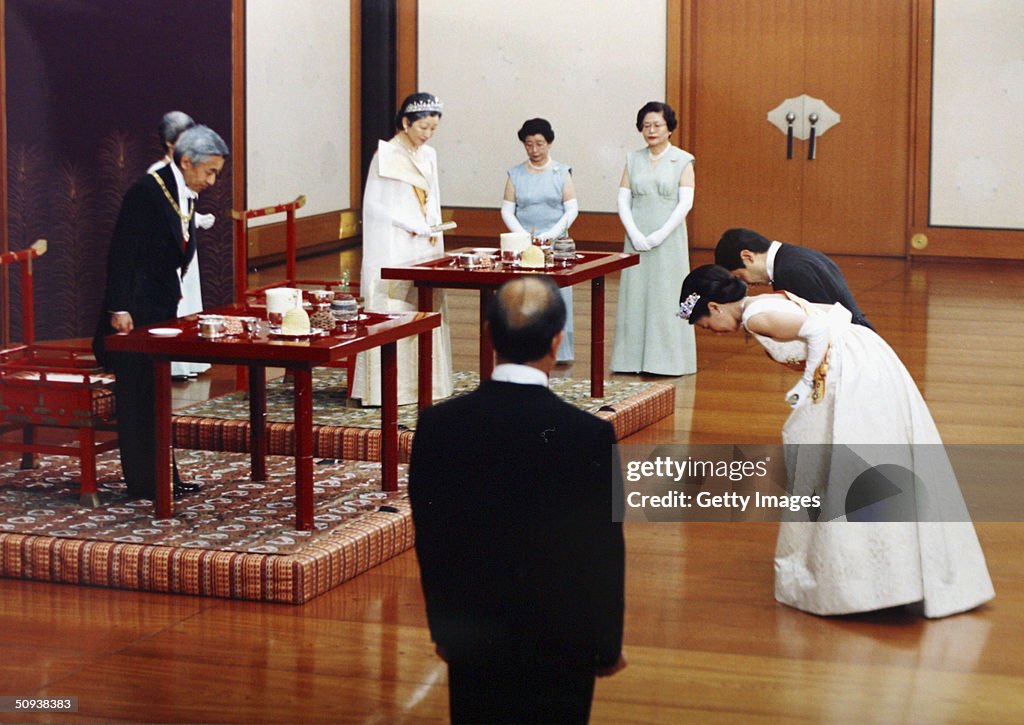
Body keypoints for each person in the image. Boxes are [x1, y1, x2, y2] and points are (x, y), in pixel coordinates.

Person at [678, 264, 995, 618]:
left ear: (717, 307)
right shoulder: (762, 305)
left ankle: (872, 578)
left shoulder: (756, 315)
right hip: (861, 359)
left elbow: (817, 329)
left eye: (704, 324)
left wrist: (810, 383)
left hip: (852, 370)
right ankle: (893, 573)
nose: (710, 331)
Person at [409, 275, 626, 723]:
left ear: (488, 337)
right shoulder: (588, 436)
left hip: (473, 634)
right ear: (557, 341)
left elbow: (432, 539)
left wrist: (446, 630)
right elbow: (602, 552)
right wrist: (605, 644)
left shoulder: (440, 426)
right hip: (563, 641)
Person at [94, 125, 229, 501]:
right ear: (187, 162)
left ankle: (165, 477)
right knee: (137, 397)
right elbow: (121, 253)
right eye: (209, 172)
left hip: (159, 306)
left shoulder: (181, 190)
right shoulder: (146, 192)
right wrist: (118, 308)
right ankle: (145, 483)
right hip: (133, 311)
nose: (212, 181)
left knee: (157, 395)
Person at [351, 92, 453, 406]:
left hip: (424, 240)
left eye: (432, 129)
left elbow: (432, 197)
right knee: (396, 304)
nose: (427, 134)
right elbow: (373, 206)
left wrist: (432, 226)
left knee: (425, 300)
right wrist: (407, 223)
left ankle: (430, 384)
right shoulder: (387, 154)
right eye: (422, 127)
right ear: (406, 122)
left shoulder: (429, 154)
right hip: (396, 241)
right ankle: (388, 389)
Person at [611, 101, 697, 376]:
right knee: (635, 295)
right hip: (636, 236)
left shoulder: (683, 159)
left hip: (668, 238)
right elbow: (623, 199)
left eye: (657, 125)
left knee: (667, 295)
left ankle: (669, 362)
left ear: (669, 128)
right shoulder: (633, 159)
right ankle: (630, 360)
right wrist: (634, 233)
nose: (651, 130)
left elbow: (685, 203)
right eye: (646, 125)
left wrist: (659, 235)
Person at [501, 117, 578, 362]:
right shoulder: (515, 173)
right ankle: (524, 348)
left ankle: (559, 351)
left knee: (556, 295)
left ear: (549, 143)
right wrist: (523, 237)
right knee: (525, 295)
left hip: (555, 243)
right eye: (529, 144)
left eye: (539, 144)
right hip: (524, 244)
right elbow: (506, 209)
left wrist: (551, 235)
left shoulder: (561, 172)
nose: (534, 150)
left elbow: (572, 209)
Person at [148, 110, 215, 378]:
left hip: (187, 246)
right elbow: (162, 212)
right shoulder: (157, 173)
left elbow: (182, 205)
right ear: (169, 142)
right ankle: (175, 364)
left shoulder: (186, 168)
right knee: (176, 301)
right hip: (169, 249)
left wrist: (196, 219)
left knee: (190, 298)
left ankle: (191, 360)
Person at [714, 227, 875, 330]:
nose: (747, 283)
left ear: (747, 256)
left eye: (739, 276)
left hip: (851, 346)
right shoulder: (794, 256)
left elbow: (821, 326)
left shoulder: (789, 271)